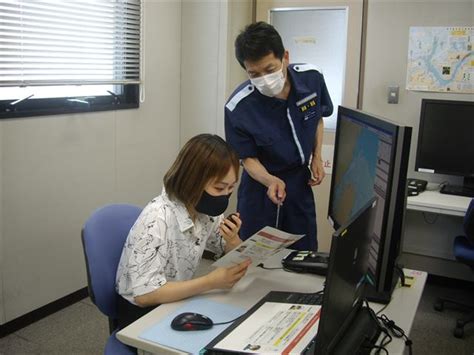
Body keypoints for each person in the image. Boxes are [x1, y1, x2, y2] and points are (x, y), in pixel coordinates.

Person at [115, 134, 251, 329]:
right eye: (220, 187)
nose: (225, 196)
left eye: (231, 188)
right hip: (142, 313)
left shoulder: (203, 210)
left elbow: (229, 250)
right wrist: (210, 282)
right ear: (193, 181)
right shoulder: (157, 218)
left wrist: (232, 240)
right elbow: (144, 295)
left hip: (176, 300)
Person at [225, 21, 333, 252]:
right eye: (254, 74)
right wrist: (270, 180)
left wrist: (316, 156)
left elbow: (318, 118)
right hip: (259, 187)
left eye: (270, 69)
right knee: (256, 255)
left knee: (303, 251)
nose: (264, 79)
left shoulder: (311, 78)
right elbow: (248, 159)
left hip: (298, 182)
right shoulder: (238, 107)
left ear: (285, 56)